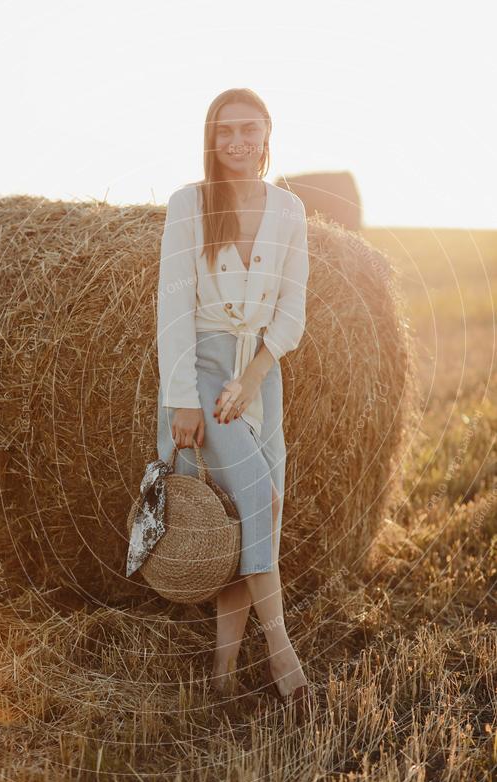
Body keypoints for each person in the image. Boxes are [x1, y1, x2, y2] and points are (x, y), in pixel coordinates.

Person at [156, 87, 310, 708]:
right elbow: (172, 307)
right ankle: (284, 660)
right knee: (259, 500)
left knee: (251, 519)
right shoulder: (189, 204)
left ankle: (221, 674)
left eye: (249, 129)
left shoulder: (291, 209)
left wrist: (253, 379)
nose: (238, 141)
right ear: (211, 141)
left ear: (268, 134)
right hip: (201, 370)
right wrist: (183, 399)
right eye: (226, 131)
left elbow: (293, 308)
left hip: (260, 376)